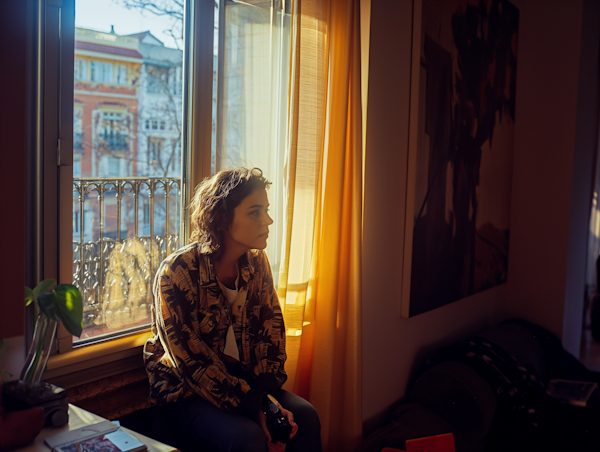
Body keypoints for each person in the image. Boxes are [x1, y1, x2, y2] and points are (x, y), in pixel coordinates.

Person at [144, 168, 321, 452]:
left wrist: (265, 399)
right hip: (188, 394)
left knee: (306, 417)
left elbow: (271, 333)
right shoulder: (177, 272)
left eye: (266, 210)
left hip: (247, 384)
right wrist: (256, 407)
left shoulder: (256, 263)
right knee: (247, 438)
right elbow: (193, 364)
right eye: (255, 212)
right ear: (223, 218)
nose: (268, 220)